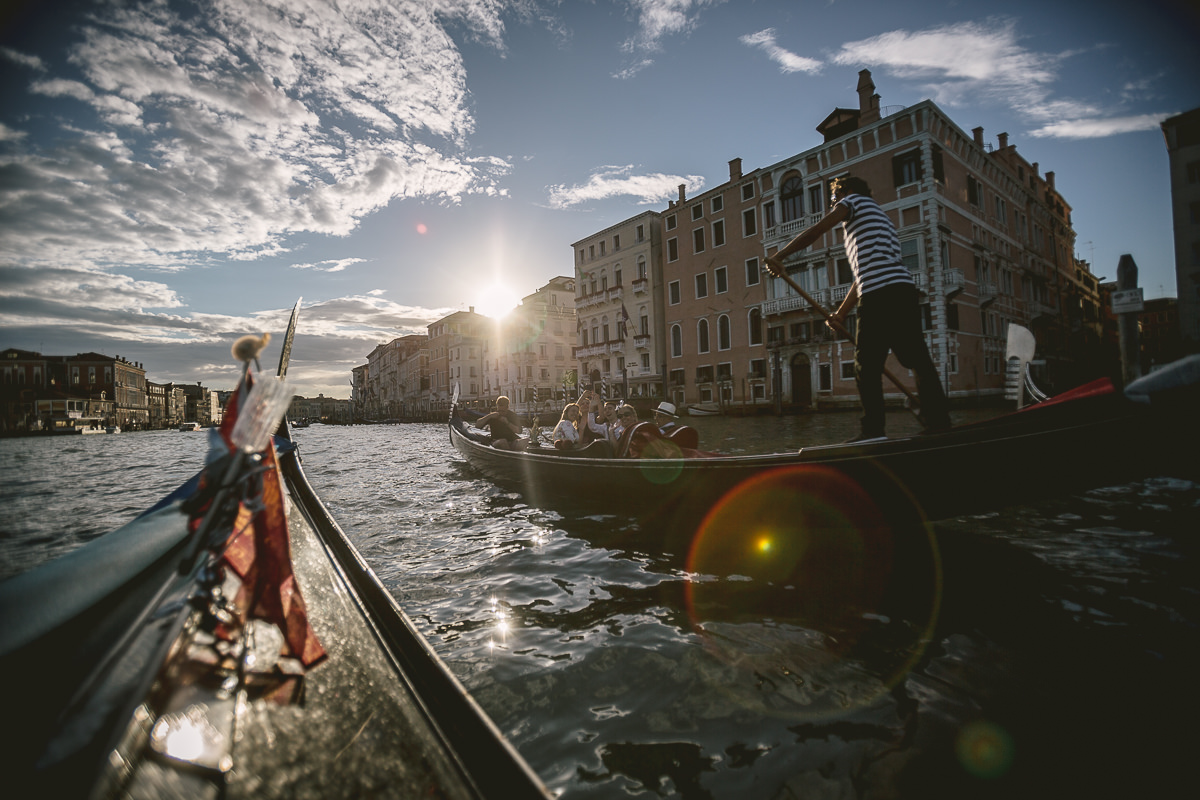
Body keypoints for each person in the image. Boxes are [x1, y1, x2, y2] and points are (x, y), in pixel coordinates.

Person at [763, 175, 951, 442]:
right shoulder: (881, 219)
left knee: (865, 366)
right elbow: (861, 278)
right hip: (901, 291)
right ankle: (939, 421)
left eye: (833, 199)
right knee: (916, 359)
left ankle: (872, 431)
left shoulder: (853, 202)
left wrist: (779, 256)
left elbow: (817, 230)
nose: (833, 205)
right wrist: (841, 312)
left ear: (846, 192)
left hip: (879, 296)